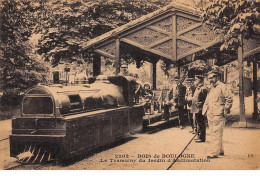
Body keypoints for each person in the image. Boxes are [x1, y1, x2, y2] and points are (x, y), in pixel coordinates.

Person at [202, 70, 233, 158]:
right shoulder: (211, 88)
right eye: (209, 78)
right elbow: (207, 100)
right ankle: (220, 150)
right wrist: (204, 111)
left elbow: (229, 98)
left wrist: (225, 110)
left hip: (218, 113)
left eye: (212, 77)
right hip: (211, 113)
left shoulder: (223, 86)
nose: (210, 80)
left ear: (216, 77)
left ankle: (213, 153)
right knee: (213, 132)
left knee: (216, 132)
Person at [191, 75, 208, 142]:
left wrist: (202, 108)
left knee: (201, 123)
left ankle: (202, 138)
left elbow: (206, 100)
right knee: (197, 122)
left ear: (200, 81)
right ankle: (198, 135)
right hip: (196, 107)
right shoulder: (198, 88)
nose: (195, 81)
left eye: (196, 80)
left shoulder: (203, 88)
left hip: (200, 108)